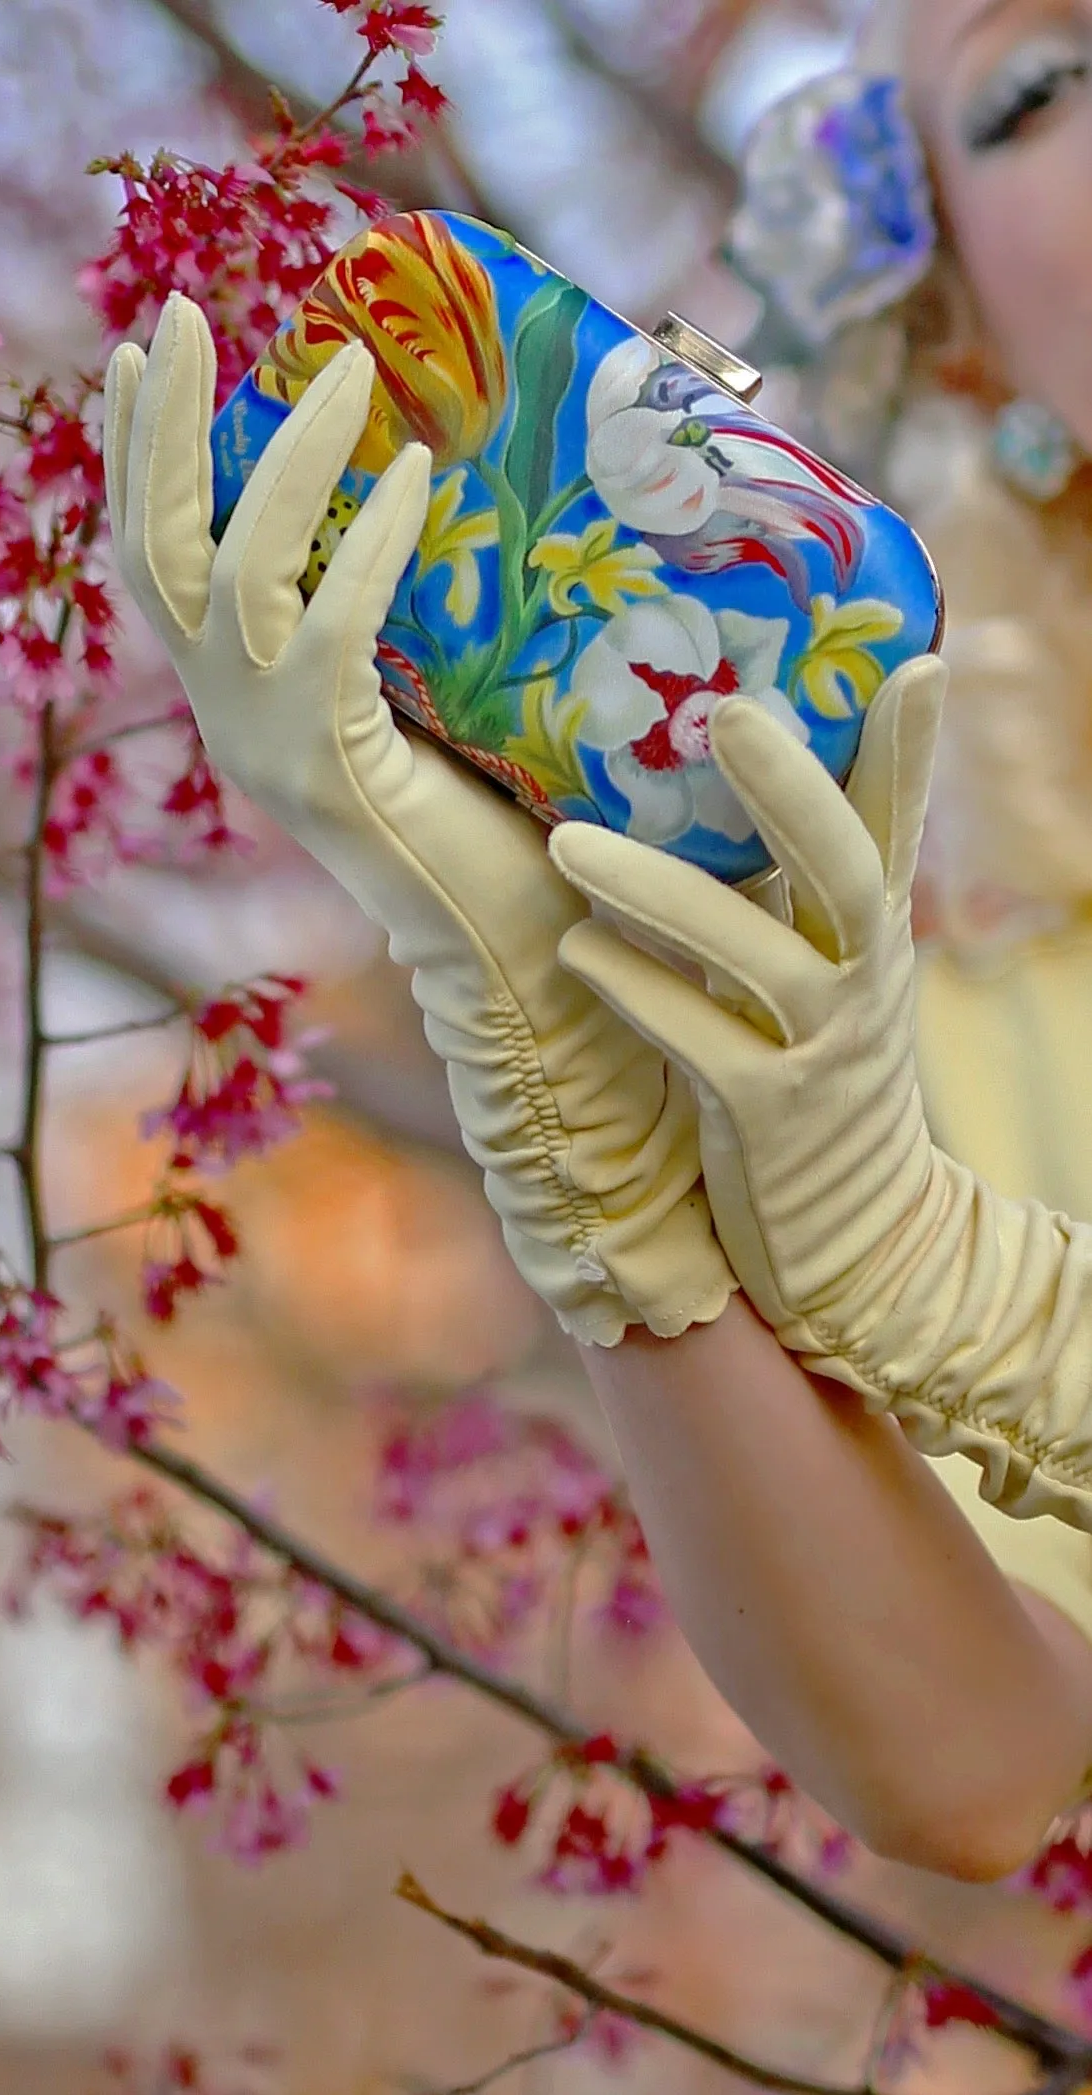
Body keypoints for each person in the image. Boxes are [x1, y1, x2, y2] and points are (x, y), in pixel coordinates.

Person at [102, 0, 1092, 1883]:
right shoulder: (907, 970)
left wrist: (991, 1305)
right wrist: (560, 1067)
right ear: (957, 322)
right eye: (1041, 82)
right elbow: (982, 1756)